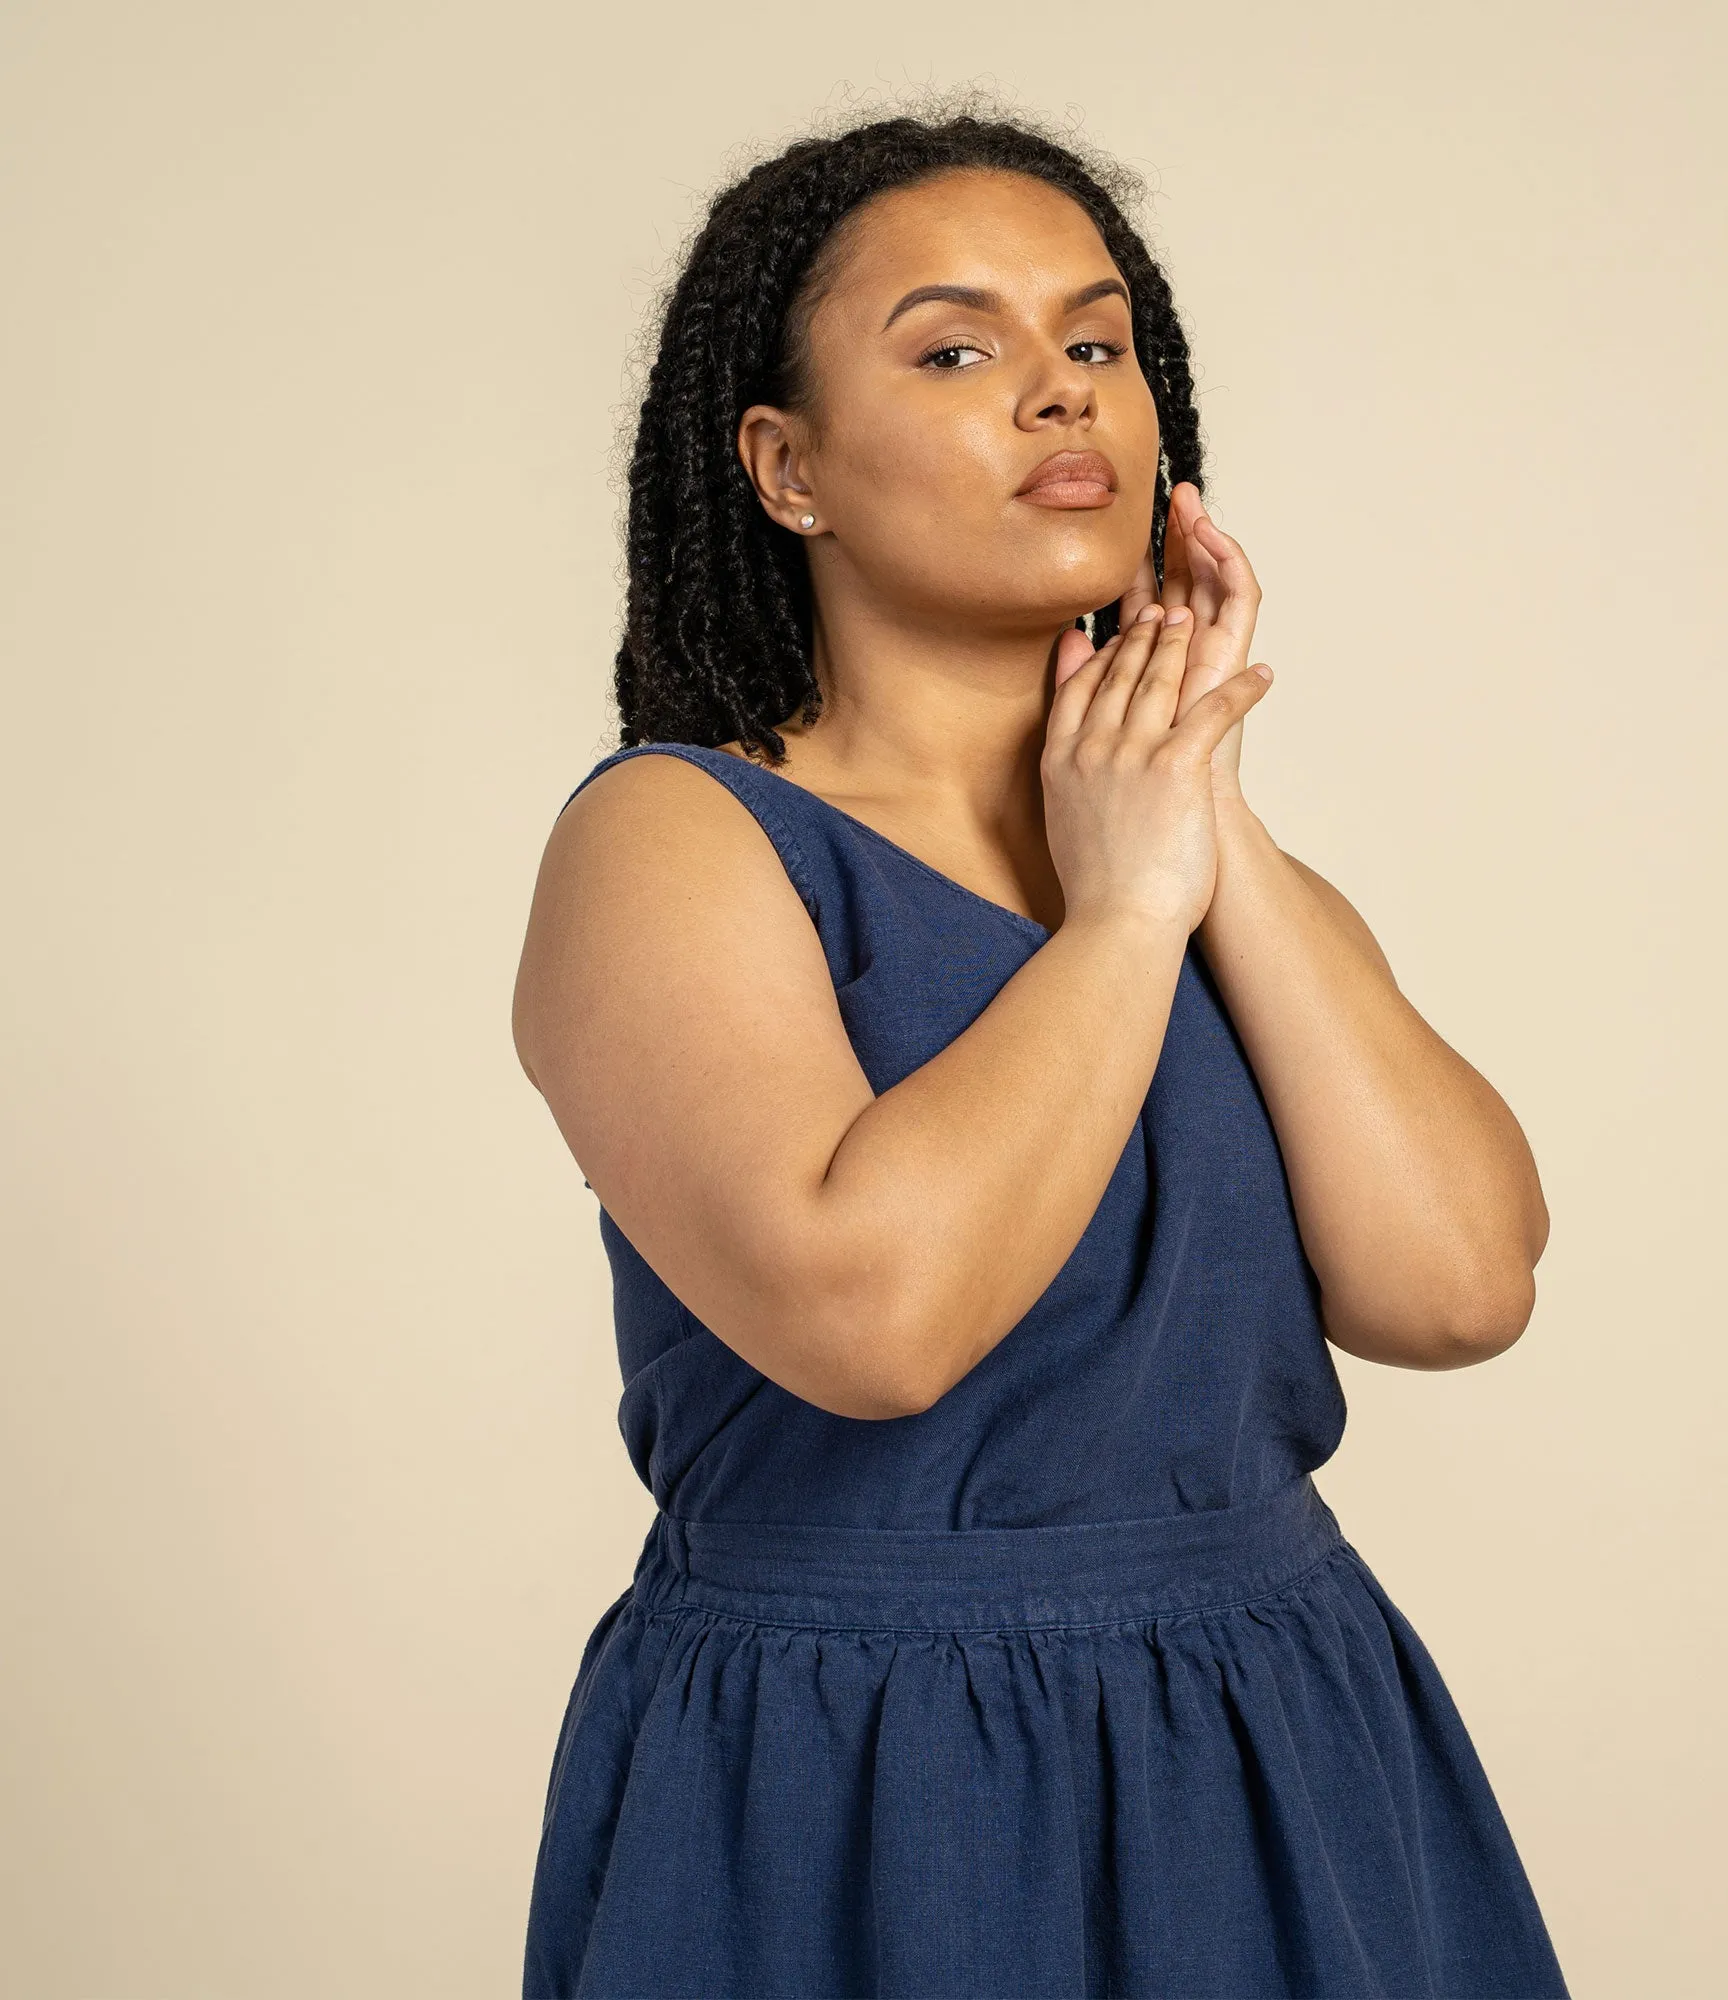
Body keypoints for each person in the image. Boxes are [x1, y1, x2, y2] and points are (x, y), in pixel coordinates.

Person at [510, 107, 1569, 2000]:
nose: (1059, 394)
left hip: (1277, 1733)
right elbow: (875, 1318)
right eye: (955, 349)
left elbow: (1462, 1282)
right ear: (785, 467)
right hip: (859, 1779)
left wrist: (1195, 810)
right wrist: (1122, 918)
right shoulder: (674, 841)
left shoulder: (1190, 855)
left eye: (1097, 344)